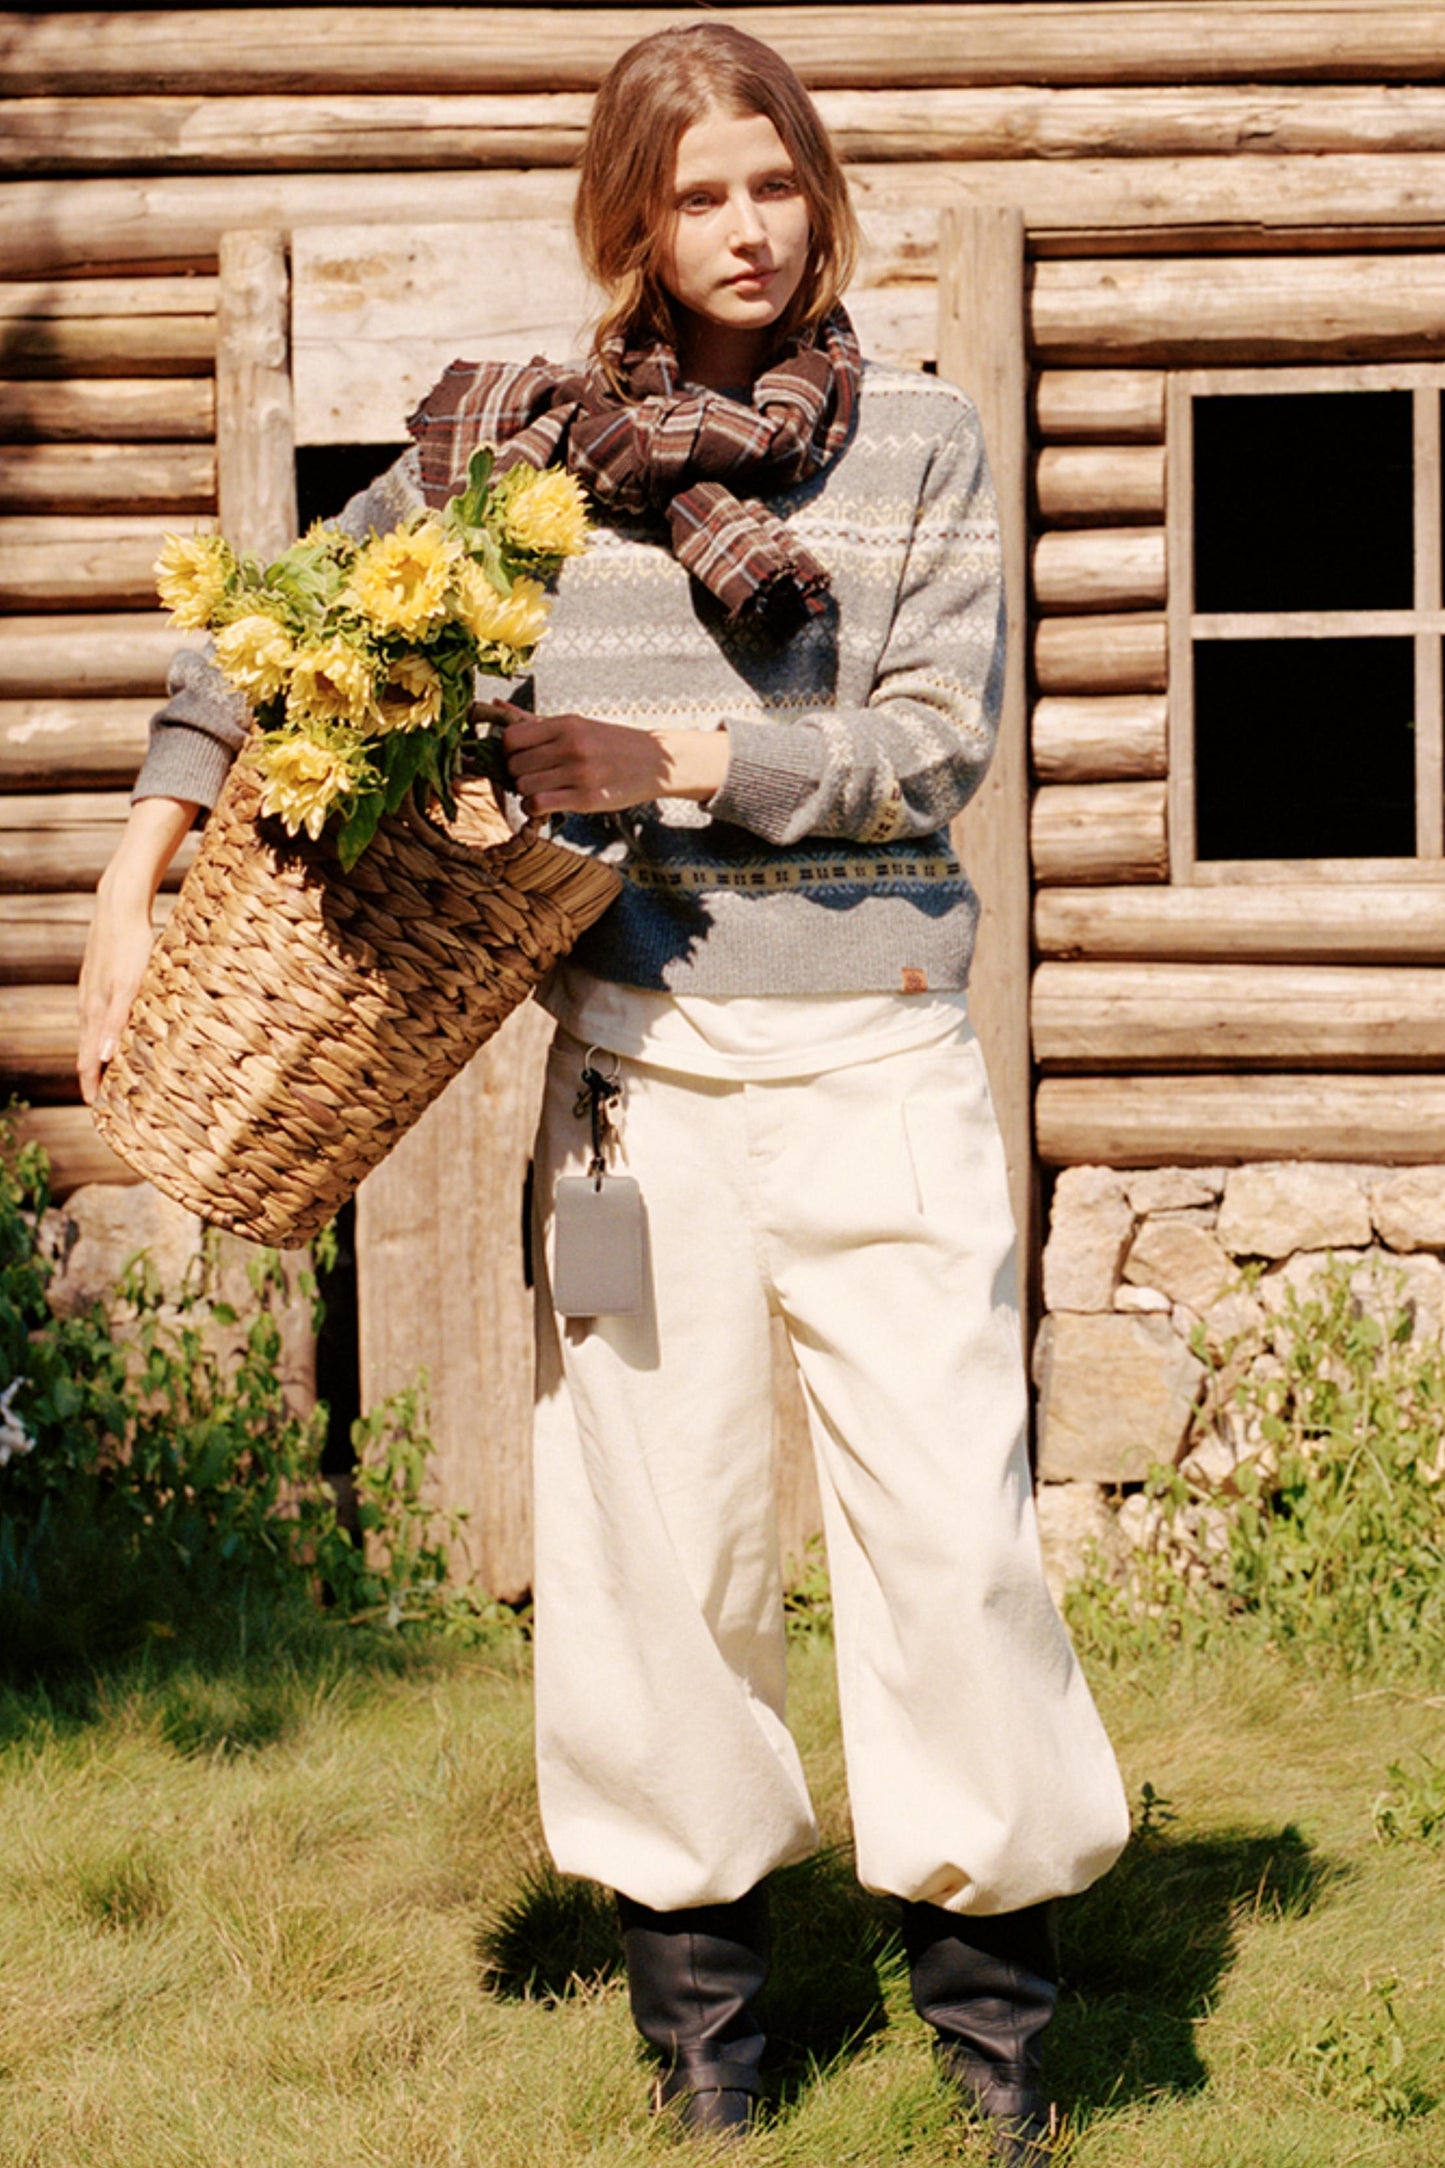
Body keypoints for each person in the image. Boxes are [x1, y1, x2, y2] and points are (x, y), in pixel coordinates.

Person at [78, 24, 1129, 2162]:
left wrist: (676, 762)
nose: (748, 227)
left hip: (882, 1055)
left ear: (821, 198)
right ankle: (711, 2046)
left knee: (948, 1537)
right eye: (701, 192)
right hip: (640, 1074)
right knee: (660, 1541)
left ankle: (997, 2033)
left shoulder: (921, 437)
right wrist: (133, 875)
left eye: (779, 184)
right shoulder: (535, 447)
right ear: (632, 217)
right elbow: (277, 628)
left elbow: (935, 744)